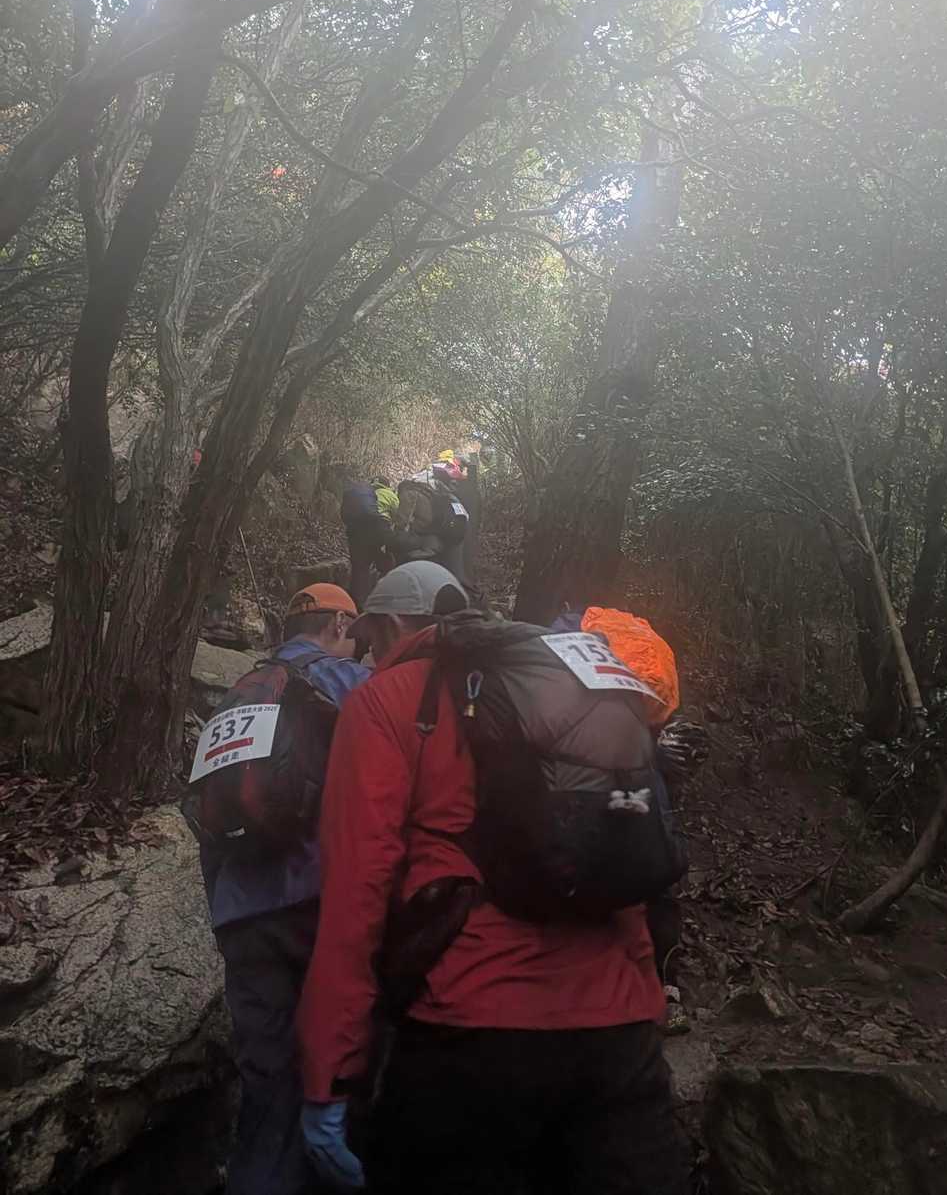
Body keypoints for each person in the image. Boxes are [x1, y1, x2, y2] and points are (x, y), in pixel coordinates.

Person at [297, 562, 685, 1195]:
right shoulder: (567, 685)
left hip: (467, 1032)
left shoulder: (386, 701)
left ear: (390, 626)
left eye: (368, 639)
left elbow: (355, 897)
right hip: (617, 1037)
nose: (366, 655)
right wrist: (644, 989)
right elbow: (619, 855)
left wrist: (330, 1074)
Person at [199, 583, 371, 1195]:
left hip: (241, 914)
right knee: (340, 1076)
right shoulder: (341, 679)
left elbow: (210, 814)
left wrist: (224, 909)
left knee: (266, 1088)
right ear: (339, 624)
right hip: (313, 904)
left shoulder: (239, 693)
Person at [551, 604, 696, 1036]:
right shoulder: (644, 645)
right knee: (653, 867)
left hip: (599, 770)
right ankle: (666, 988)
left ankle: (606, 986)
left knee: (606, 858)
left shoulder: (573, 639)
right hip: (640, 766)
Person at [340, 477, 393, 606]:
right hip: (376, 530)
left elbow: (344, 515)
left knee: (359, 569)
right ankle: (385, 594)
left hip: (355, 533)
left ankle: (356, 604)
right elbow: (395, 514)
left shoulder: (361, 493)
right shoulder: (388, 494)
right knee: (384, 560)